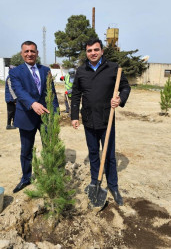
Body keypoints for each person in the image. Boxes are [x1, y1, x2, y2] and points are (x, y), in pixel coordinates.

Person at [71, 38, 131, 205]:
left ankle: (113, 185)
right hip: (89, 120)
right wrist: (74, 116)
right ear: (86, 53)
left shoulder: (113, 68)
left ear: (102, 51)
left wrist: (119, 99)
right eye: (89, 51)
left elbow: (125, 87)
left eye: (96, 50)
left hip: (107, 120)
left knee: (110, 155)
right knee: (93, 153)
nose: (93, 53)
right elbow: (76, 94)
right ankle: (94, 182)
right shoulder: (81, 71)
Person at [9, 41, 59, 193]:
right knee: (26, 150)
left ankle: (51, 175)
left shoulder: (45, 70)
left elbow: (52, 92)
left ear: (37, 53)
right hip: (26, 116)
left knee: (49, 147)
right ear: (21, 53)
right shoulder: (15, 72)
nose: (29, 54)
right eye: (26, 51)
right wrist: (32, 104)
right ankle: (26, 178)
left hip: (45, 116)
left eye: (32, 51)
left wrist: (55, 113)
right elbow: (19, 91)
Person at [5, 66, 17, 130]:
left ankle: (14, 123)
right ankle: (8, 125)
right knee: (10, 112)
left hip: (11, 98)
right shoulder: (9, 78)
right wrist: (15, 98)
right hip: (10, 98)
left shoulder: (11, 77)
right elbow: (11, 89)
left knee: (14, 111)